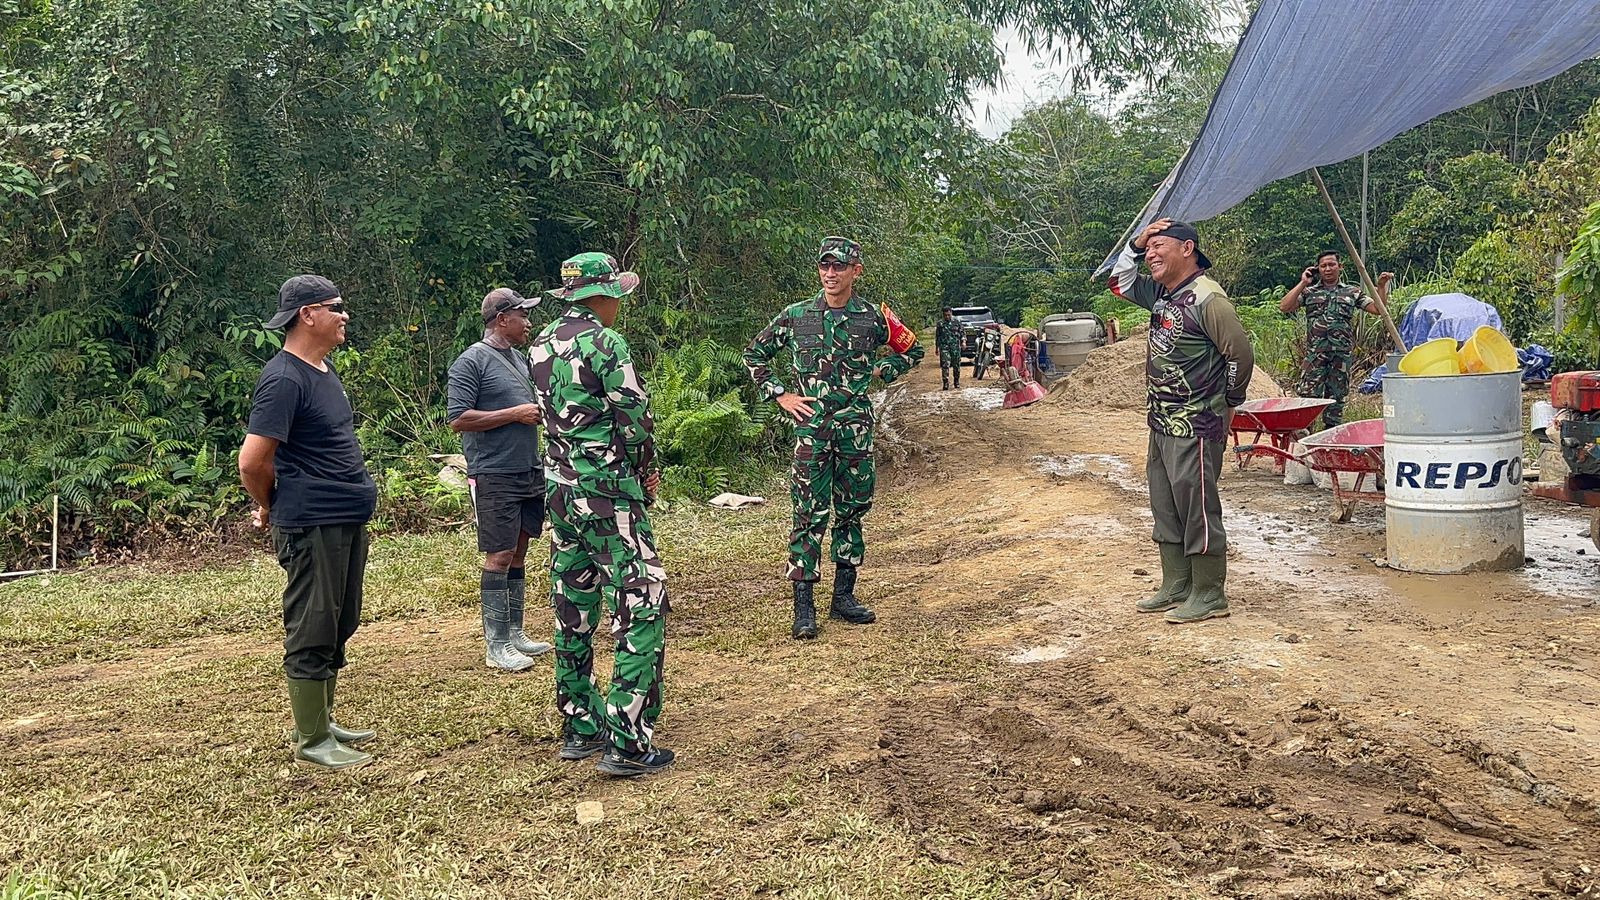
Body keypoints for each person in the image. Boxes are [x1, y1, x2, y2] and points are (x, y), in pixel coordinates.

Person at [530, 251, 673, 777]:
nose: (619, 305)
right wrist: (646, 472)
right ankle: (628, 741)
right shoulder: (606, 343)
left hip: (561, 493)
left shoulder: (540, 344)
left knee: (573, 603)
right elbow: (635, 418)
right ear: (601, 296)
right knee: (642, 600)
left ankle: (579, 724)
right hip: (609, 494)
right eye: (616, 295)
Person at [743, 236, 924, 640]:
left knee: (852, 510)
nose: (830, 273)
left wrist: (882, 371)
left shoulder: (874, 318)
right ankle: (803, 608)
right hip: (812, 432)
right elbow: (753, 355)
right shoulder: (797, 315)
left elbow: (913, 351)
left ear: (856, 271)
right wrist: (781, 395)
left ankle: (843, 597)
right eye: (825, 266)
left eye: (839, 266)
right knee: (807, 514)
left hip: (855, 431)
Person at [239, 275, 378, 770]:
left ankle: (324, 720)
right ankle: (311, 739)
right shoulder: (283, 379)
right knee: (313, 623)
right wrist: (269, 504)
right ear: (308, 314)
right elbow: (252, 461)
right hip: (312, 520)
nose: (344, 315)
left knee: (341, 619)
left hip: (343, 516)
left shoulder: (321, 369)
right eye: (336, 306)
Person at [1109, 219, 1255, 624]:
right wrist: (1135, 244)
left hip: (1197, 425)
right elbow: (1118, 283)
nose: (1151, 254)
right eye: (1148, 249)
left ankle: (1209, 592)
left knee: (1197, 507)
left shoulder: (1208, 298)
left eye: (1159, 245)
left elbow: (1239, 355)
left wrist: (1228, 402)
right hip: (1161, 423)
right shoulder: (1163, 294)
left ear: (1187, 248)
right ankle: (1176, 584)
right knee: (1165, 504)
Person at [447, 287, 556, 673]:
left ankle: (514, 632)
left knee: (520, 550)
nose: (528, 322)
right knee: (499, 553)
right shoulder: (471, 361)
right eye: (522, 315)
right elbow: (458, 419)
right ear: (502, 319)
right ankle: (496, 645)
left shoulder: (519, 359)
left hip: (527, 468)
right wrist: (514, 414)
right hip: (493, 472)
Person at [1278, 252, 1394, 429]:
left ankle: (1331, 435)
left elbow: (1378, 309)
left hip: (1341, 356)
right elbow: (1284, 307)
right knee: (1308, 397)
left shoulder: (1352, 292)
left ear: (1340, 267)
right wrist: (1303, 282)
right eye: (1323, 266)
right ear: (1317, 269)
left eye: (1331, 264)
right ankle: (1303, 434)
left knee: (1336, 398)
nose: (1327, 269)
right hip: (1315, 355)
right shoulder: (1309, 292)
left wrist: (1380, 287)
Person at [935, 307, 963, 391]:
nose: (947, 317)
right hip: (944, 347)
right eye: (945, 315)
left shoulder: (957, 322)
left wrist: (964, 342)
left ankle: (956, 381)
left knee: (956, 365)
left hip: (955, 347)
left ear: (951, 313)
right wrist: (937, 348)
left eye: (948, 315)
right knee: (945, 364)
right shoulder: (940, 323)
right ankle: (945, 382)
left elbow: (962, 333)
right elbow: (937, 336)